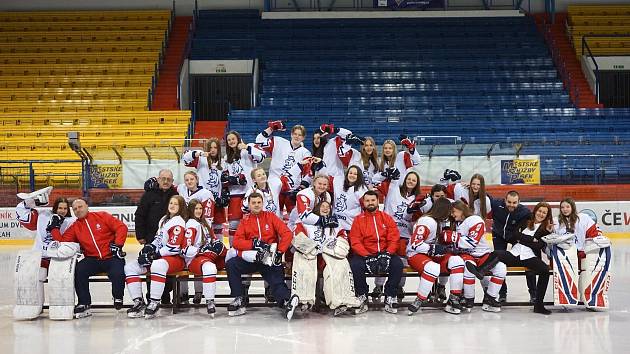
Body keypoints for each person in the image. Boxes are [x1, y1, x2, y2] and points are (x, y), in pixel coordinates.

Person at [467, 202, 553, 315]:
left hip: (530, 257)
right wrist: (531, 239)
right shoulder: (526, 221)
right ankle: (480, 271)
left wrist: (523, 240)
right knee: (497, 253)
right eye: (540, 211)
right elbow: (516, 235)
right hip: (515, 254)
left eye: (544, 213)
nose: (541, 214)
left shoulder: (546, 229)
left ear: (547, 215)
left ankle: (539, 305)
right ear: (535, 211)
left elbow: (539, 245)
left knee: (545, 271)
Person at [225, 193, 299, 320]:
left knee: (276, 280)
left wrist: (280, 252)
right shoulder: (245, 221)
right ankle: (238, 298)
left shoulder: (270, 217)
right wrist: (253, 244)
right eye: (253, 203)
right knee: (232, 264)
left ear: (262, 203)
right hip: (252, 258)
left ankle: (286, 301)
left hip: (269, 258)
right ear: (249, 205)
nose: (256, 205)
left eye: (259, 202)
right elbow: (237, 242)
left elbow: (287, 234)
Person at [49, 198, 128, 318]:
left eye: (80, 207)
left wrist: (118, 245)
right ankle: (84, 302)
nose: (78, 210)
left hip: (111, 256)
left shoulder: (102, 216)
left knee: (117, 273)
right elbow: (62, 242)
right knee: (79, 270)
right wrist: (54, 228)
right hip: (92, 259)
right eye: (75, 209)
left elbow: (121, 227)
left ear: (87, 206)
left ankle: (118, 296)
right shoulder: (75, 227)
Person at [292, 201, 360, 316]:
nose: (325, 209)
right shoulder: (304, 222)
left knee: (340, 265)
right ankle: (303, 299)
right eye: (322, 206)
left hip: (329, 256)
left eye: (328, 207)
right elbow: (297, 237)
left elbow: (343, 238)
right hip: (310, 255)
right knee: (302, 265)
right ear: (316, 208)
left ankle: (341, 301)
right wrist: (311, 249)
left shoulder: (336, 224)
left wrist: (336, 248)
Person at [125, 195, 188, 319]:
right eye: (171, 203)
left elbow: (173, 247)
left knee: (157, 265)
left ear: (181, 207)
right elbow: (158, 239)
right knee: (131, 267)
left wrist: (155, 255)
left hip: (176, 258)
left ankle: (154, 302)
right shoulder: (164, 219)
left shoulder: (178, 222)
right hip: (161, 257)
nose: (172, 206)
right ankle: (139, 302)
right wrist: (150, 248)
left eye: (176, 204)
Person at [348, 190, 404, 314]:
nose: (370, 203)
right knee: (355, 266)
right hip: (366, 254)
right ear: (363, 203)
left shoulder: (386, 218)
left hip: (385, 253)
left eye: (373, 200)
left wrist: (388, 253)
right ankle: (362, 295)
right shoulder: (358, 220)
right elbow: (355, 240)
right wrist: (367, 256)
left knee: (398, 265)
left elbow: (394, 237)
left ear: (378, 201)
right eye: (367, 201)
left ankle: (390, 295)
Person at [407, 198, 465, 315]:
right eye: (450, 211)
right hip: (416, 254)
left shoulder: (442, 222)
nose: (451, 214)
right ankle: (420, 299)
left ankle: (454, 298)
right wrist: (432, 249)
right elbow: (415, 244)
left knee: (457, 261)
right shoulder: (427, 221)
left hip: (431, 255)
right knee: (433, 268)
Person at [447, 200, 506, 313]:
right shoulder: (455, 223)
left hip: (483, 253)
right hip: (467, 254)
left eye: (454, 211)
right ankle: (469, 299)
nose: (452, 214)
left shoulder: (475, 219)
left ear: (461, 210)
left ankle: (490, 298)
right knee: (469, 269)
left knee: (501, 268)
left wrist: (454, 238)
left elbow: (472, 242)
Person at [135, 168, 178, 304]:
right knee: (150, 266)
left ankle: (165, 295)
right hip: (150, 237)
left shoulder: (176, 195)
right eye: (163, 179)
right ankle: (151, 296)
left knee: (167, 267)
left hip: (170, 239)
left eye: (168, 179)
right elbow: (139, 215)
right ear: (158, 179)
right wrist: (140, 235)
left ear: (172, 181)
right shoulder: (148, 195)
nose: (165, 182)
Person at [256, 121, 311, 214]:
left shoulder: (306, 153)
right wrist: (271, 129)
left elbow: (308, 173)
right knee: (274, 215)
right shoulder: (278, 141)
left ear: (303, 137)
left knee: (294, 217)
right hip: (274, 185)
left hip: (292, 189)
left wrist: (302, 187)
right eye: (295, 134)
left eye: (300, 135)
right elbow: (259, 141)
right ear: (291, 134)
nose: (297, 136)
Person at [183, 199, 227, 316]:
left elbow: (213, 240)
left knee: (231, 258)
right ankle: (210, 301)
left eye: (200, 208)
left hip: (208, 256)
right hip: (194, 259)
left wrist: (218, 245)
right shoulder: (191, 225)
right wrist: (201, 250)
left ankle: (240, 295)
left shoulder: (204, 223)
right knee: (210, 268)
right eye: (196, 209)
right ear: (190, 210)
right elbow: (185, 249)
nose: (198, 211)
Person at [16, 188, 76, 269]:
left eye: (65, 208)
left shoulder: (71, 221)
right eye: (60, 208)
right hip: (40, 256)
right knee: (38, 274)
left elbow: (68, 242)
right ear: (55, 208)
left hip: (59, 258)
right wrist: (30, 203)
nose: (62, 211)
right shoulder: (44, 215)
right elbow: (22, 214)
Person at [489, 190, 532, 302]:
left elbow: (537, 220)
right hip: (498, 235)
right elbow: (484, 195)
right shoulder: (496, 204)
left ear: (519, 202)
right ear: (505, 200)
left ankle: (533, 294)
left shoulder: (525, 211)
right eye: (509, 202)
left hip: (515, 237)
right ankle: (502, 293)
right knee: (498, 262)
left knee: (526, 259)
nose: (511, 205)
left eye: (514, 202)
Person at [183, 138, 227, 237]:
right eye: (210, 147)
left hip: (217, 200)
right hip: (203, 201)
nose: (213, 150)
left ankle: (217, 248)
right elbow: (185, 159)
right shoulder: (201, 160)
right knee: (203, 226)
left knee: (218, 228)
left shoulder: (223, 163)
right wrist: (199, 153)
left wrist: (223, 195)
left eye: (215, 147)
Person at [330, 165, 369, 232]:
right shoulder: (339, 183)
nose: (352, 175)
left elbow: (367, 208)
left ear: (359, 176)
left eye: (355, 174)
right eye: (350, 173)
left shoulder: (361, 190)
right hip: (336, 226)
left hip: (351, 227)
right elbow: (326, 179)